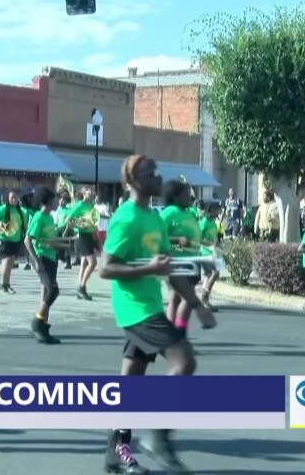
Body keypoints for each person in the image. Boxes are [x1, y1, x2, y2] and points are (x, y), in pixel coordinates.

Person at [100, 155, 215, 474]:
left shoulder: (154, 217)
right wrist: (151, 268)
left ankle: (115, 453)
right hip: (134, 309)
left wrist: (198, 305)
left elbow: (171, 270)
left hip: (149, 304)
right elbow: (105, 268)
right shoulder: (126, 218)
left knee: (130, 384)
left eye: (156, 171)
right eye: (147, 173)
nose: (155, 175)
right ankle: (159, 436)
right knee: (185, 362)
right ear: (131, 181)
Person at [24, 186, 66, 344]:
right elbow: (28, 239)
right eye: (53, 200)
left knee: (46, 292)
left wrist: (61, 245)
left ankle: (43, 327)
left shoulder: (49, 217)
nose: (55, 202)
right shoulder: (39, 216)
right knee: (53, 290)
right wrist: (34, 259)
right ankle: (37, 322)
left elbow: (48, 240)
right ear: (46, 201)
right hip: (41, 258)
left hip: (51, 257)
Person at [159, 178, 201, 333]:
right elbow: (156, 236)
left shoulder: (189, 212)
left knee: (176, 299)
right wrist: (177, 240)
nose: (189, 197)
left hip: (192, 260)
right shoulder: (168, 213)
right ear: (176, 197)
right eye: (186, 194)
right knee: (188, 299)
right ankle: (179, 335)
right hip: (177, 262)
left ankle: (171, 335)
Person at [0, 191, 28, 294]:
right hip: (3, 240)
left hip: (15, 240)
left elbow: (24, 226)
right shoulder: (2, 209)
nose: (14, 199)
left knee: (10, 262)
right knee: (7, 260)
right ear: (8, 198)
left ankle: (7, 284)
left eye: (15, 197)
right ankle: (2, 285)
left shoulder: (20, 211)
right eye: (12, 197)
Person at [64, 187, 99, 300]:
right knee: (93, 262)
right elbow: (68, 220)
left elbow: (93, 220)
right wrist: (79, 225)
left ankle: (80, 288)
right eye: (89, 191)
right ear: (84, 193)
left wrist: (95, 232)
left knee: (84, 263)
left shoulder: (91, 205)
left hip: (89, 235)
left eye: (92, 191)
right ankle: (82, 287)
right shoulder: (79, 205)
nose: (92, 192)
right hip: (81, 235)